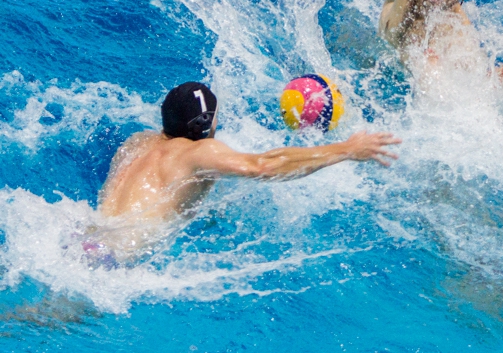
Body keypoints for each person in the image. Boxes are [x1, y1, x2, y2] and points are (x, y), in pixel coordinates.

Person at [87, 82, 400, 263]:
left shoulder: (138, 142)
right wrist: (346, 149)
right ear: (204, 126)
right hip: (112, 261)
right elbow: (264, 166)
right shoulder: (198, 153)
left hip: (86, 238)